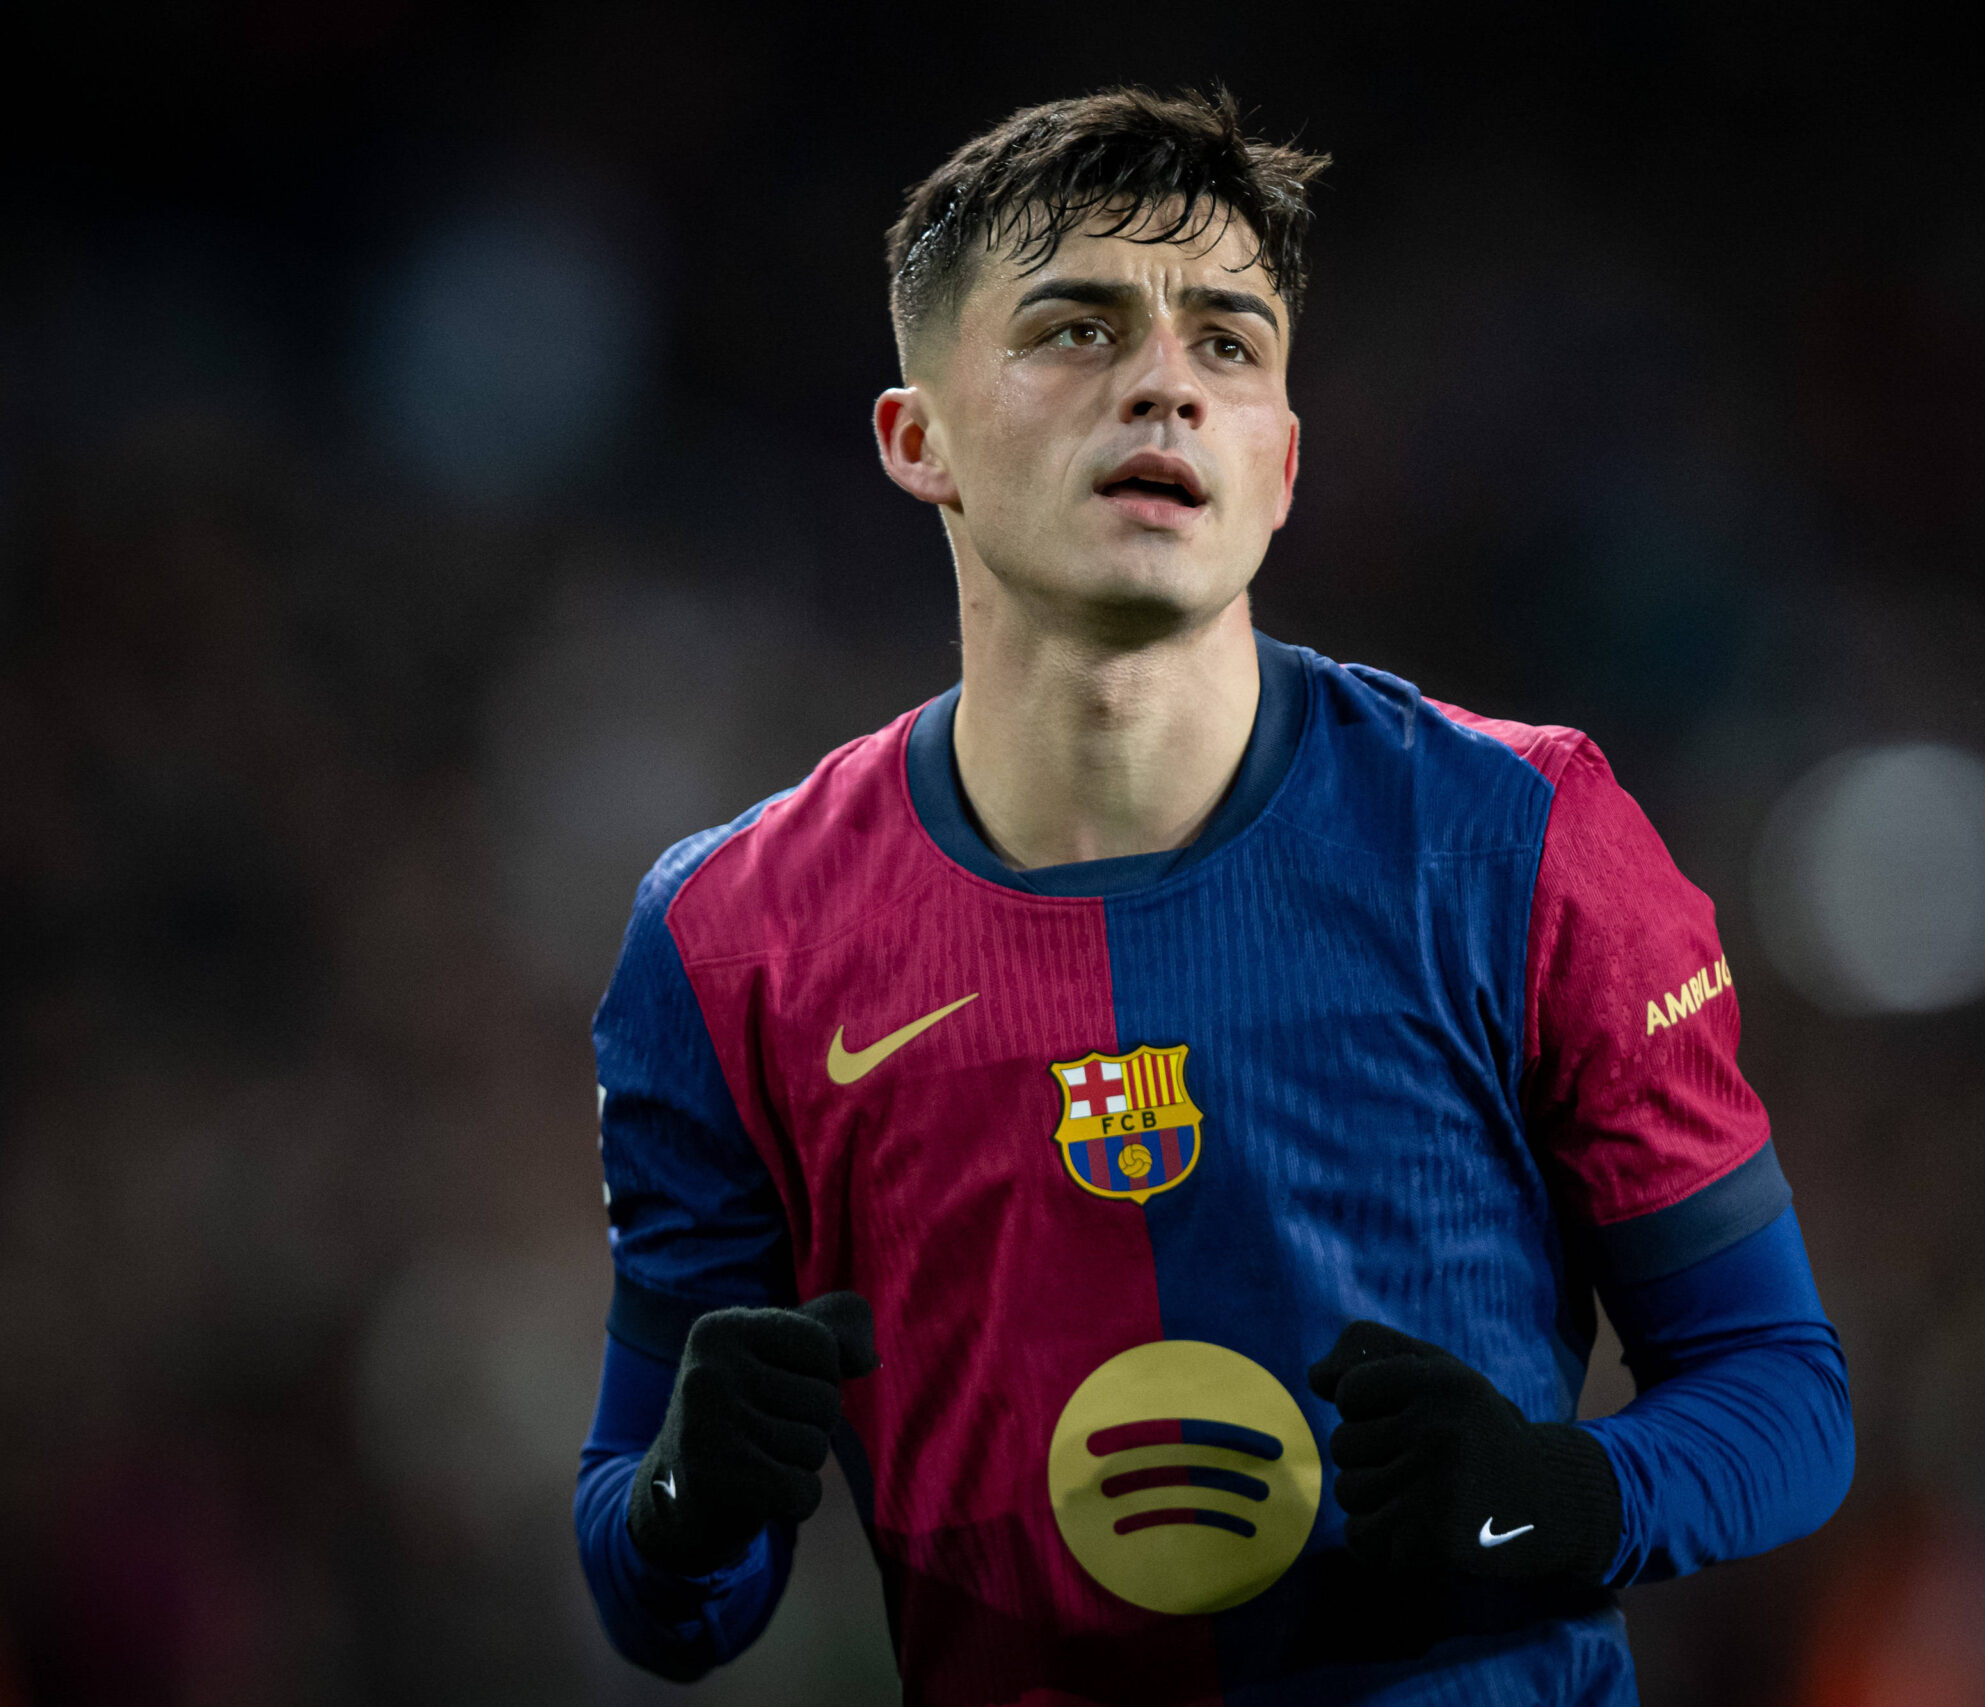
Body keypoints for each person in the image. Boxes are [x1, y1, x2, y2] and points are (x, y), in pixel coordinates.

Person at [574, 86, 1853, 1705]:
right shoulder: (726, 940)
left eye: (1231, 344)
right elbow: (657, 1587)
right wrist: (690, 1507)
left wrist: (1564, 1498)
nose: (1166, 383)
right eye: (1077, 329)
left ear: (1286, 464)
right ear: (920, 442)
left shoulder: (1523, 842)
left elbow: (1781, 1391)